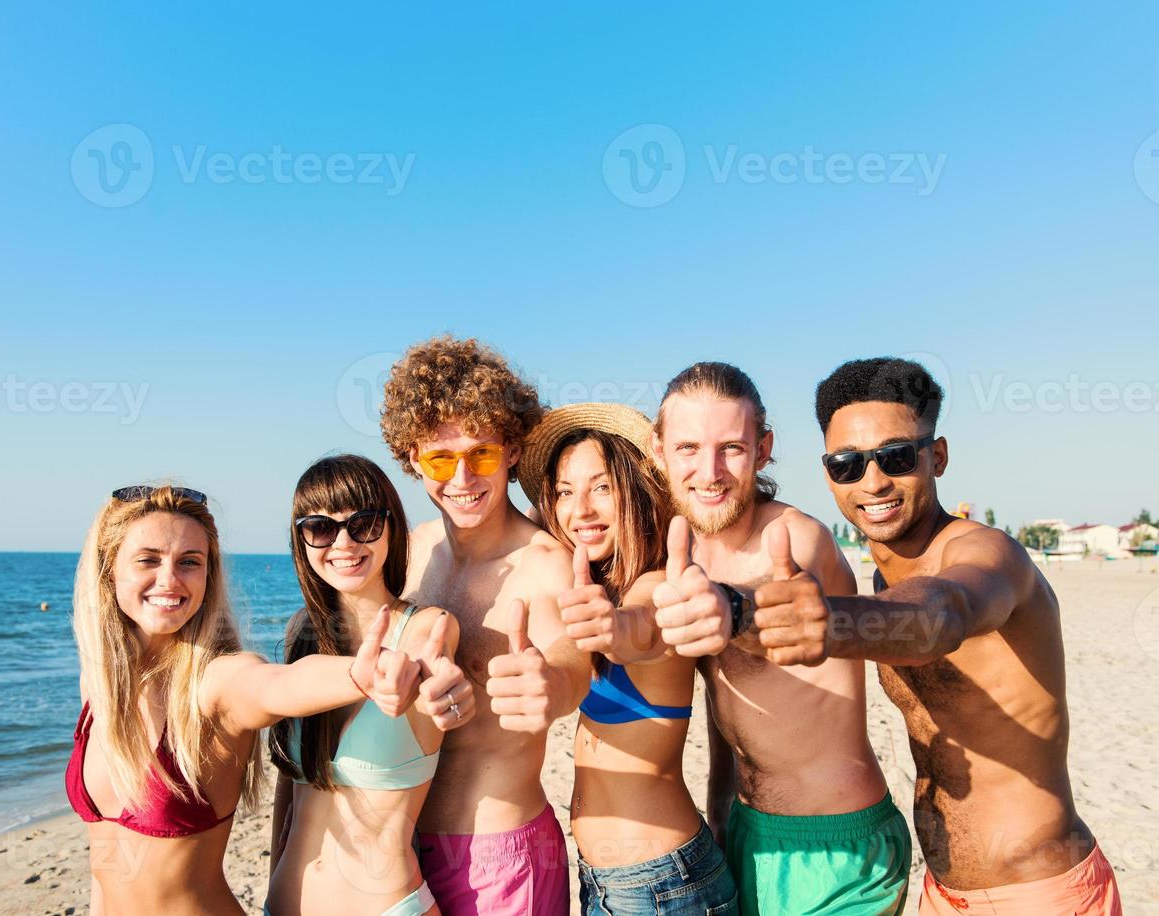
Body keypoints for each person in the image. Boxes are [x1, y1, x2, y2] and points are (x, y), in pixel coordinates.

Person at [754, 355, 1120, 914]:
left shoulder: (989, 554)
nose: (872, 481)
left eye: (895, 457)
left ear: (938, 457)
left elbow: (941, 615)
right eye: (847, 464)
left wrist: (832, 620)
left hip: (1039, 895)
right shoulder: (881, 579)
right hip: (940, 894)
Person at [651, 362, 912, 915]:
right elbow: (726, 704)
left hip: (839, 849)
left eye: (732, 449)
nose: (710, 470)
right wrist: (719, 808)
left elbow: (772, 604)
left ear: (764, 448)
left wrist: (729, 607)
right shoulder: (686, 552)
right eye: (689, 448)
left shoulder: (796, 539)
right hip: (748, 835)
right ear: (659, 451)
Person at [67, 485, 398, 915]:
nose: (169, 578)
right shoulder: (99, 685)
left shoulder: (215, 680)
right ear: (109, 570)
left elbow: (279, 685)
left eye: (190, 562)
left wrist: (359, 674)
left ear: (209, 574)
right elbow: (103, 874)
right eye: (148, 559)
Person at [379, 335, 591, 916]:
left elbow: (571, 661)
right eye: (442, 459)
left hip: (501, 859)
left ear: (514, 450)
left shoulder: (546, 563)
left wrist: (552, 686)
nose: (463, 476)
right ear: (412, 459)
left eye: (484, 454)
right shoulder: (412, 555)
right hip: (403, 849)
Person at [518, 403, 740, 915]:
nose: (582, 510)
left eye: (601, 487)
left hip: (661, 885)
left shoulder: (656, 584)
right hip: (610, 883)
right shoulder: (598, 583)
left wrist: (612, 630)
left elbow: (642, 630)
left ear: (636, 489)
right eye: (565, 492)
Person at [267, 454, 476, 916]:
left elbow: (433, 677)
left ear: (391, 528)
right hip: (284, 903)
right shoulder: (300, 634)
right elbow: (291, 785)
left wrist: (442, 694)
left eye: (363, 522)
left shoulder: (427, 628)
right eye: (320, 527)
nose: (343, 541)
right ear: (301, 540)